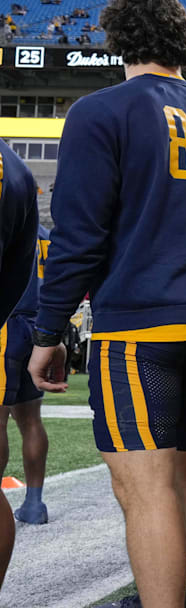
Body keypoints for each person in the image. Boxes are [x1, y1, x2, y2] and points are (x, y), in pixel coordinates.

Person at [29, 1, 186, 606]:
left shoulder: (99, 112)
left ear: (119, 40)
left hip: (139, 328)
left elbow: (78, 239)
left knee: (144, 487)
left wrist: (49, 331)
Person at [0, 135, 40, 590]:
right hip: (21, 320)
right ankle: (35, 497)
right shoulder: (19, 170)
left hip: (12, 327)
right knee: (28, 420)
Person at [1, 226, 51, 526]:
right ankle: (34, 502)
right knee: (30, 419)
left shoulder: (8, 216)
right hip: (38, 325)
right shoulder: (44, 234)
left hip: (6, 323)